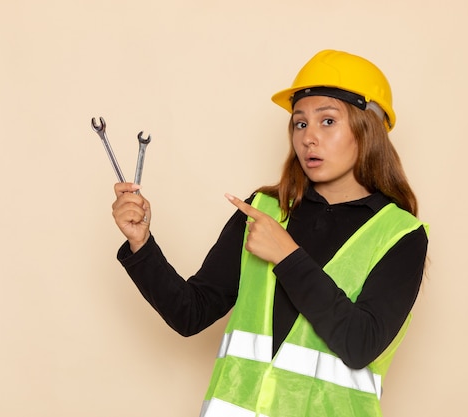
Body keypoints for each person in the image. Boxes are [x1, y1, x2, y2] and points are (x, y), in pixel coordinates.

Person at [111, 49, 428, 417]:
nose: (309, 137)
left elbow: (360, 343)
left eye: (327, 121)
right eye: (300, 123)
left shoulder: (400, 234)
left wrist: (288, 257)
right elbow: (189, 314)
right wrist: (141, 243)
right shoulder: (263, 210)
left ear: (368, 129)